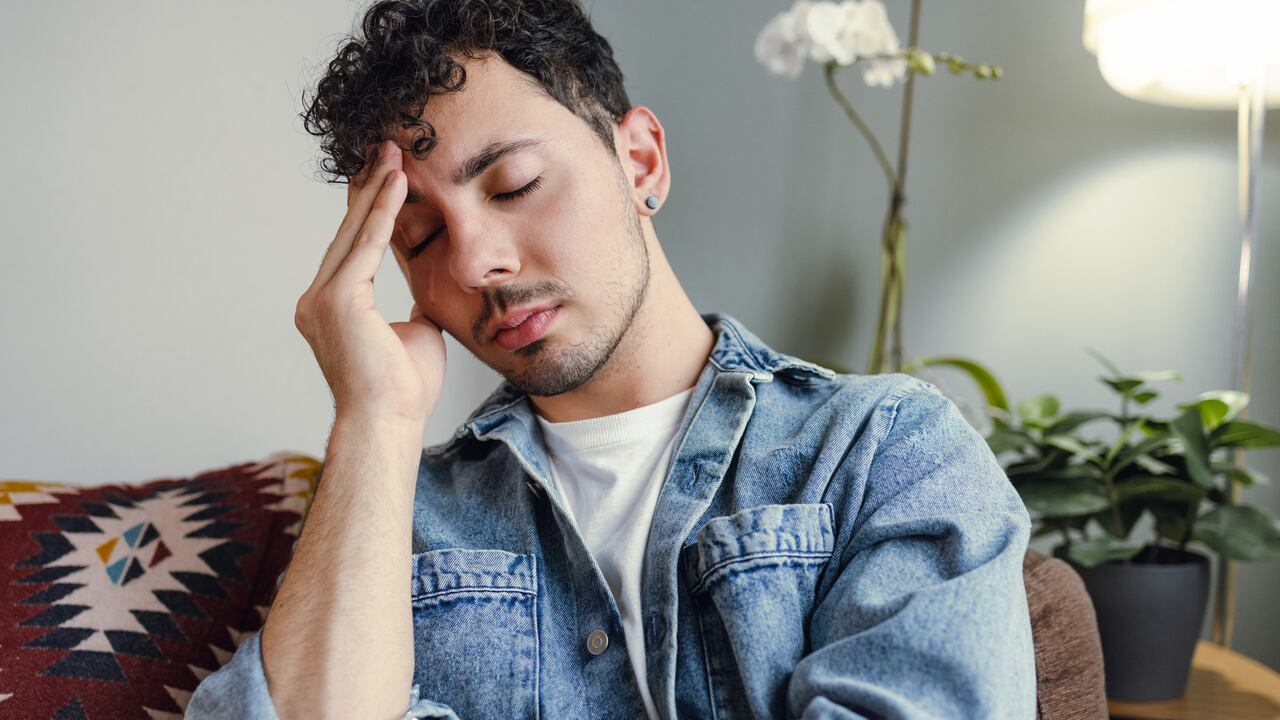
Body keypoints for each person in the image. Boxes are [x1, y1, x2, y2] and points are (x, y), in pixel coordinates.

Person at [186, 1, 1036, 717]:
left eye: (514, 185)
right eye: (421, 238)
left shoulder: (880, 449)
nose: (474, 263)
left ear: (640, 161)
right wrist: (374, 418)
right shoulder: (394, 521)